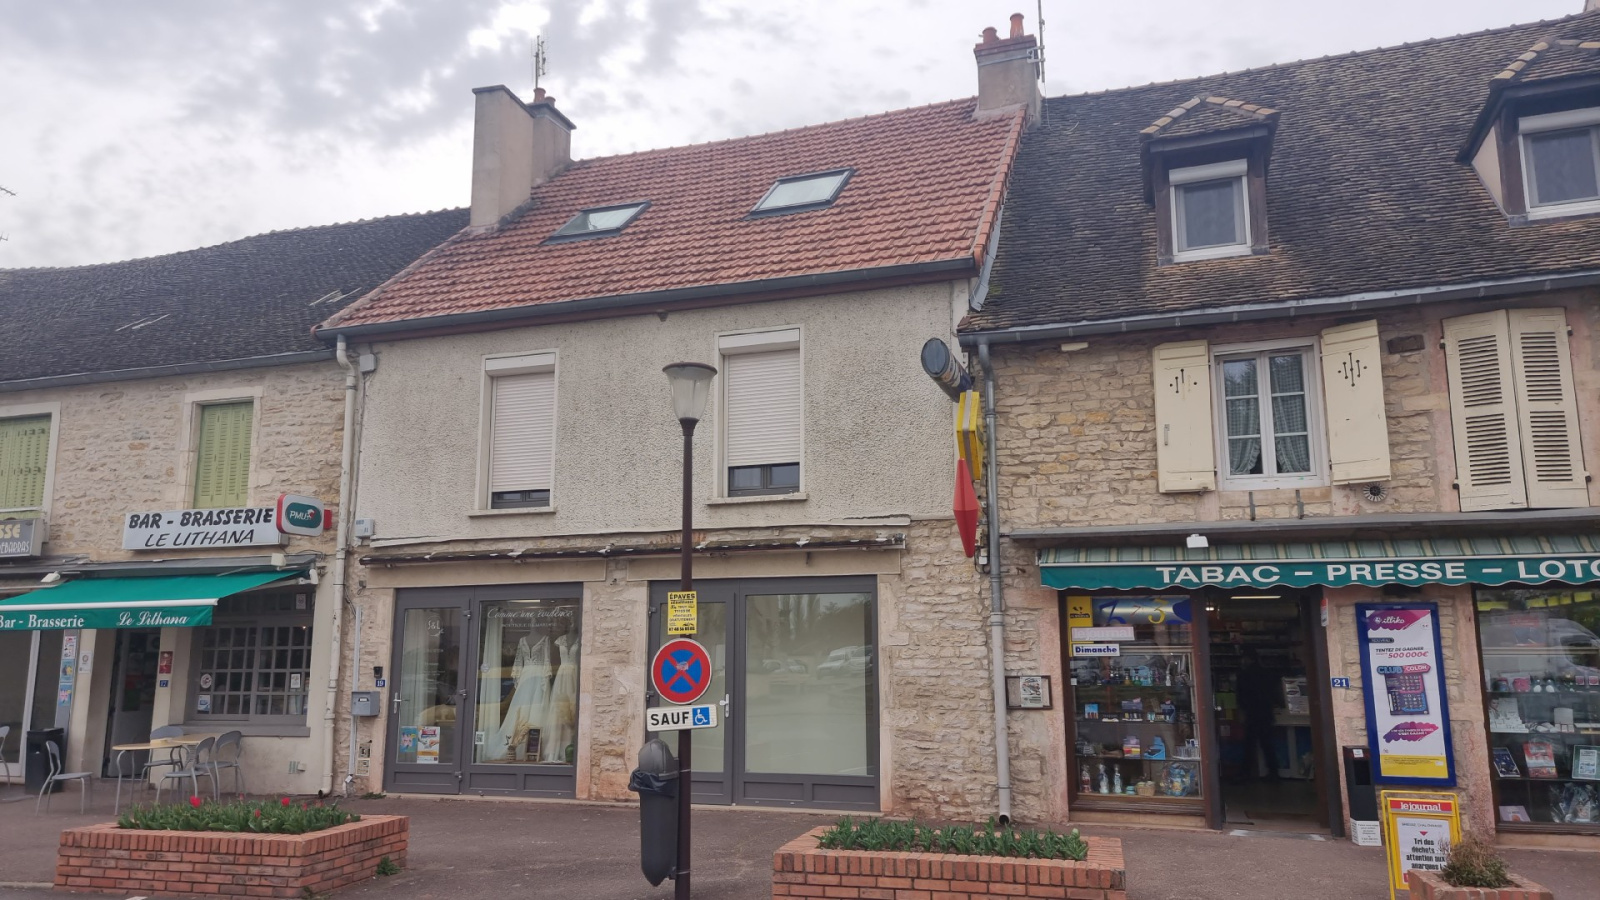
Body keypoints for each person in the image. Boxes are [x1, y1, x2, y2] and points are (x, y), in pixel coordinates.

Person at [1236, 650, 1280, 781]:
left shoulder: (1244, 675)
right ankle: (1274, 772)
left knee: (1249, 745)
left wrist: (1242, 712)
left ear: (1248, 659)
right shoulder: (1268, 674)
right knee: (1267, 744)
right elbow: (1275, 695)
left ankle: (1245, 773)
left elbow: (1241, 697)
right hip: (1266, 713)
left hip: (1252, 714)